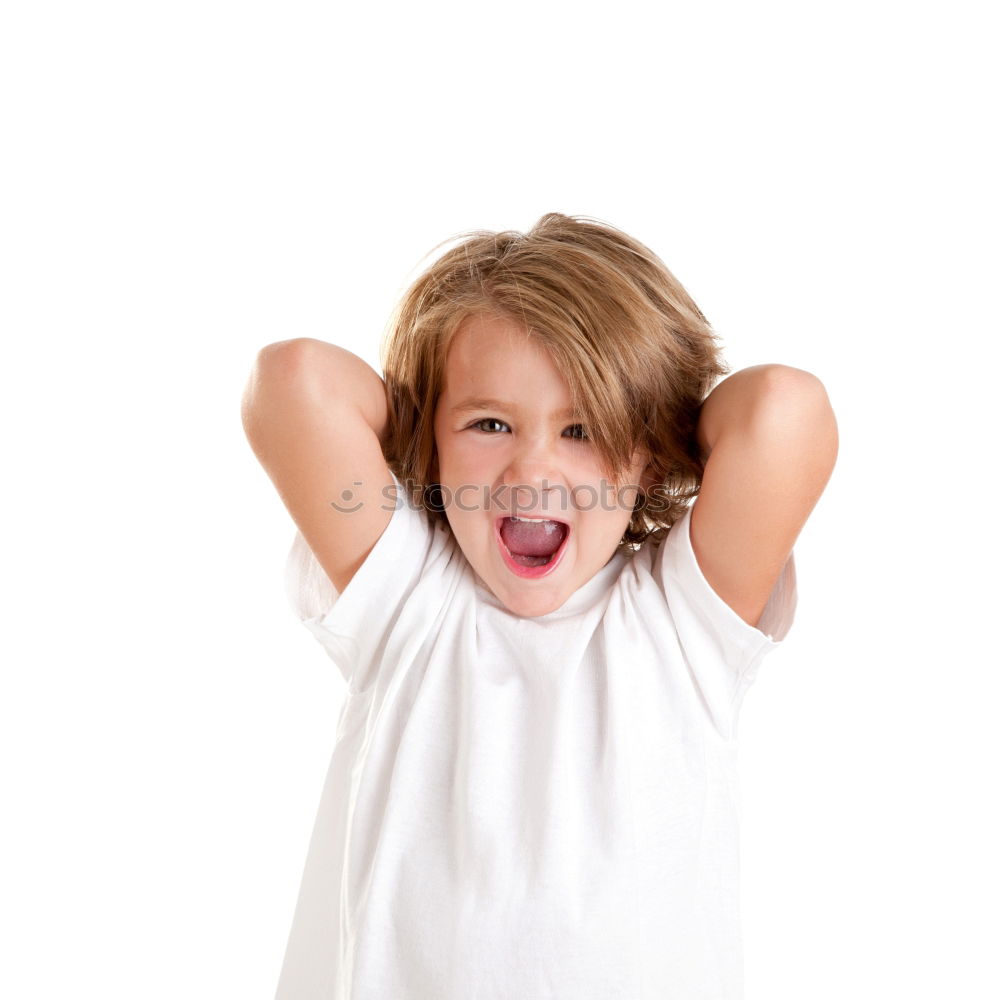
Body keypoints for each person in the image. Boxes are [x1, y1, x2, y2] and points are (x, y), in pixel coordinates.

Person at [241, 212, 838, 999]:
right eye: (490, 423)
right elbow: (294, 381)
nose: (534, 467)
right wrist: (425, 418)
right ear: (436, 441)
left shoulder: (681, 624)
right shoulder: (407, 601)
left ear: (648, 452)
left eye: (583, 429)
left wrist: (652, 417)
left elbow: (783, 410)